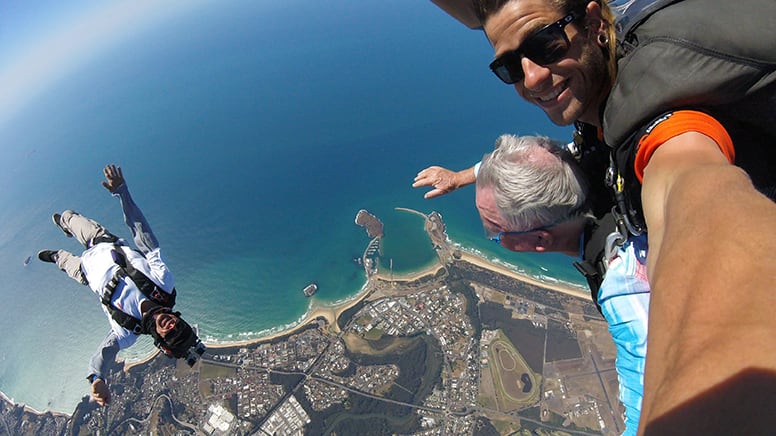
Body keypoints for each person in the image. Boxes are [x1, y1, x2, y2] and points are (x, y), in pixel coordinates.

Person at [430, 0, 776, 432]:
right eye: (510, 68)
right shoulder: (605, 92)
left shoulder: (662, 121)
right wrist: (466, 175)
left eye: (546, 44)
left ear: (593, 21)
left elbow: (695, 191)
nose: (532, 77)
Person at [416, 134, 649, 433]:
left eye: (496, 234)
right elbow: (532, 159)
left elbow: (648, 414)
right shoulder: (594, 160)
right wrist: (460, 178)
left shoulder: (626, 289)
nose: (494, 240)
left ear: (541, 240)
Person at [38, 164, 204, 406]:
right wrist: (123, 193)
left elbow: (104, 354)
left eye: (173, 335)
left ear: (161, 341)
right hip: (100, 240)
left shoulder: (126, 332)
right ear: (181, 318)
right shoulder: (163, 284)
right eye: (180, 326)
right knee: (68, 216)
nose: (172, 325)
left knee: (63, 262)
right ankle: (65, 224)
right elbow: (142, 234)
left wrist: (96, 377)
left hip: (85, 272)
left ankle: (56, 256)